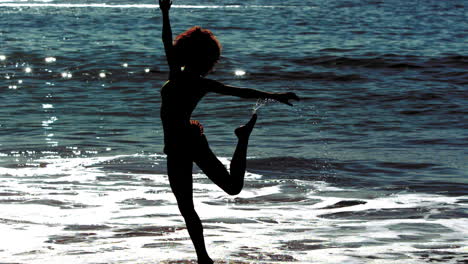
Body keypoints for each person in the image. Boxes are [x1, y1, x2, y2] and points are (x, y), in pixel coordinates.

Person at [158, 0, 299, 263]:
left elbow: (241, 92)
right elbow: (240, 91)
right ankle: (203, 259)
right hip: (188, 140)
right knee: (226, 190)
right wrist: (274, 95)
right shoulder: (199, 82)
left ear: (184, 53)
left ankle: (204, 259)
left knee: (189, 206)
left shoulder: (179, 76)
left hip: (181, 144)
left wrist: (165, 12)